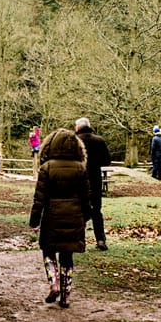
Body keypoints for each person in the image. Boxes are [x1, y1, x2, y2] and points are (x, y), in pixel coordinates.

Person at [29, 128, 91, 308]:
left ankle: (53, 283)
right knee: (67, 256)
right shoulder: (81, 168)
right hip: (74, 216)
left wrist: (34, 220)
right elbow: (86, 197)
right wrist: (85, 217)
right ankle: (65, 296)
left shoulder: (47, 168)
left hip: (52, 216)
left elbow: (39, 198)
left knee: (48, 251)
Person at [74, 117, 112, 251]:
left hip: (78, 179)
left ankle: (80, 240)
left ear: (78, 127)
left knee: (79, 211)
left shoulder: (74, 141)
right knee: (96, 210)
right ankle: (101, 239)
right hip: (95, 179)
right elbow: (106, 160)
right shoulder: (99, 141)